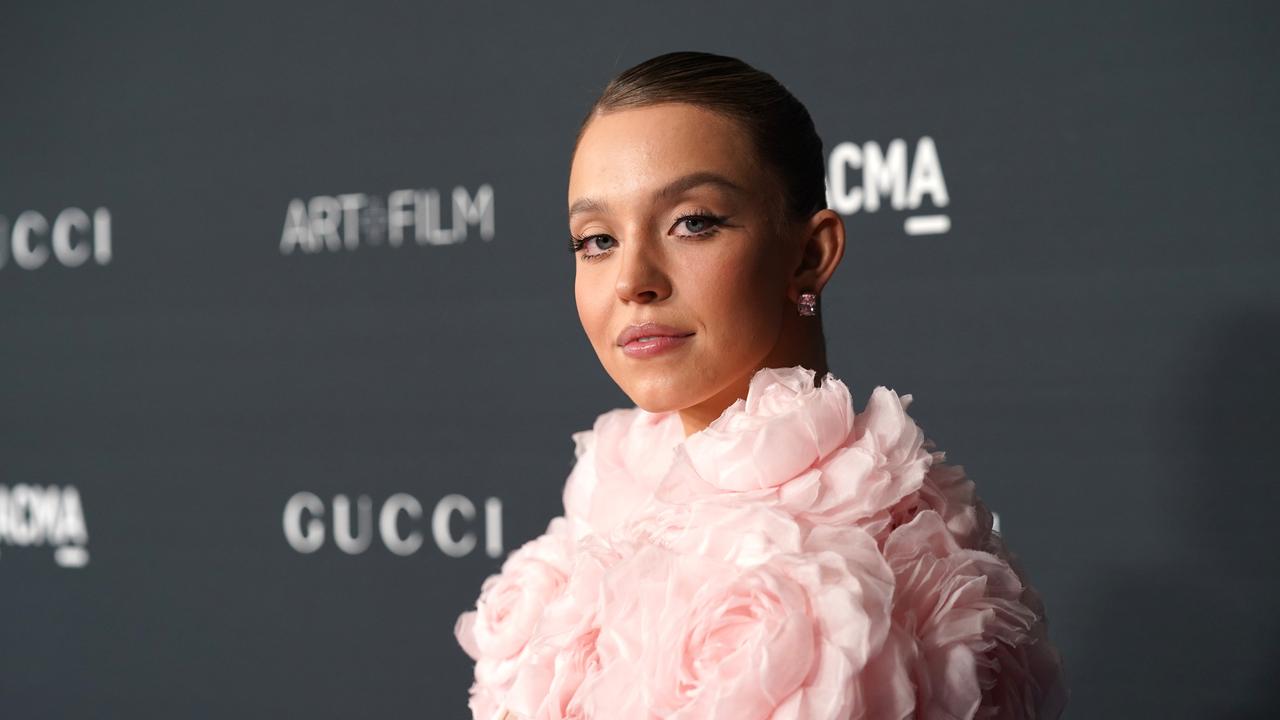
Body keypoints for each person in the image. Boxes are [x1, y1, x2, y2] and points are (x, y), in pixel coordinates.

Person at [456, 50, 1068, 719]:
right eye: (597, 240)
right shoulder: (609, 494)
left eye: (693, 222)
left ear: (810, 255)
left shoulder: (875, 577)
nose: (633, 280)